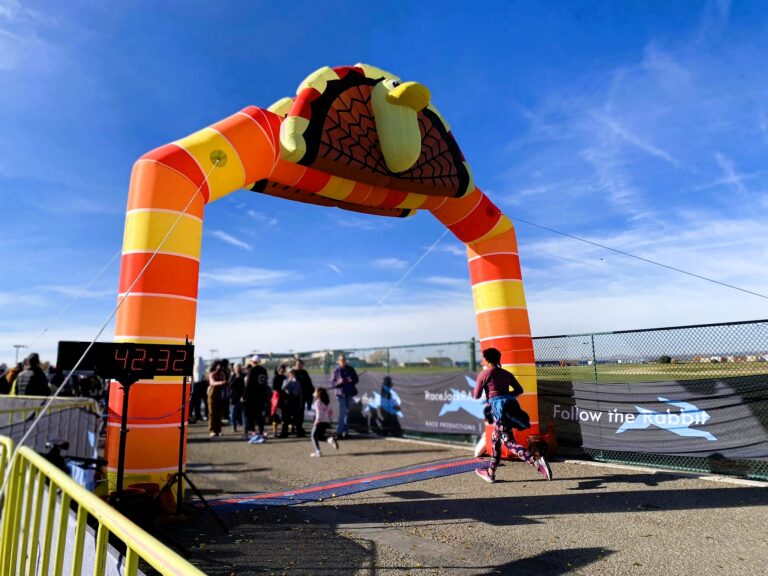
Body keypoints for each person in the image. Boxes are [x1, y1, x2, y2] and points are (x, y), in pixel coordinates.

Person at [473, 347, 552, 483]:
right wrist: (506, 397)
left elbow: (476, 395)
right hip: (510, 410)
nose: (482, 360)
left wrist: (494, 397)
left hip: (499, 414)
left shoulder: (484, 375)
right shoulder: (506, 373)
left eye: (483, 358)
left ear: (487, 359)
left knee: (509, 443)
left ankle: (537, 462)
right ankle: (490, 473)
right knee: (495, 441)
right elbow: (519, 390)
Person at [330, 354, 358, 439]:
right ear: (338, 361)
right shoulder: (336, 370)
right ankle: (339, 433)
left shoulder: (351, 369)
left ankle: (345, 432)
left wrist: (351, 379)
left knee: (346, 413)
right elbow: (332, 383)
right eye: (341, 360)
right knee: (342, 413)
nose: (343, 361)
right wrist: (339, 382)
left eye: (344, 360)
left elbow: (356, 379)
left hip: (349, 394)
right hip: (340, 394)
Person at [244, 355, 269, 438]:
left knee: (251, 414)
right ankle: (261, 430)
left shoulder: (252, 370)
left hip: (252, 396)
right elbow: (265, 383)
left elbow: (248, 385)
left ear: (252, 362)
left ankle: (253, 431)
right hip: (261, 395)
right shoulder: (264, 370)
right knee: (259, 415)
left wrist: (244, 395)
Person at [310, 387, 338, 457]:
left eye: (315, 392)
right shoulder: (326, 402)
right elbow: (331, 412)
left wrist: (317, 420)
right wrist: (330, 420)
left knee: (313, 436)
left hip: (320, 421)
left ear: (318, 394)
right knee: (319, 436)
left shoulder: (317, 402)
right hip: (326, 422)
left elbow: (319, 412)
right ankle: (329, 440)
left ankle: (318, 452)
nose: (314, 393)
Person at [280, 369, 305, 437]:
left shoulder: (298, 383)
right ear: (289, 375)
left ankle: (299, 432)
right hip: (288, 400)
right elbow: (283, 388)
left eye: (294, 374)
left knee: (297, 417)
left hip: (295, 400)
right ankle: (284, 432)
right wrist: (290, 381)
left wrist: (300, 403)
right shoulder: (286, 381)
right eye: (291, 374)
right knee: (286, 418)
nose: (293, 375)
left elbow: (300, 393)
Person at [207, 360, 227, 437]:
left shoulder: (222, 374)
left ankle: (218, 430)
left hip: (219, 395)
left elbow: (225, 382)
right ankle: (212, 430)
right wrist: (221, 382)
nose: (220, 368)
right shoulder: (212, 374)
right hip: (212, 395)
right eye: (218, 366)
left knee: (219, 413)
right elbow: (212, 382)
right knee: (212, 413)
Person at [228, 363, 246, 433]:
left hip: (242, 396)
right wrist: (236, 378)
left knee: (243, 413)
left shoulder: (243, 376)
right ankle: (234, 426)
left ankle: (245, 427)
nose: (238, 369)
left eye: (239, 367)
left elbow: (245, 386)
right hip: (234, 397)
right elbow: (230, 386)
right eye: (237, 368)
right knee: (233, 412)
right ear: (234, 369)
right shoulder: (232, 376)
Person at [270, 365, 287, 437]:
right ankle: (275, 431)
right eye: (280, 369)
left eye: (283, 369)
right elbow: (274, 388)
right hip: (276, 399)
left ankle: (283, 431)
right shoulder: (275, 377)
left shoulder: (285, 377)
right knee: (275, 416)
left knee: (284, 416)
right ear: (277, 369)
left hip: (283, 398)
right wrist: (281, 391)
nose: (282, 370)